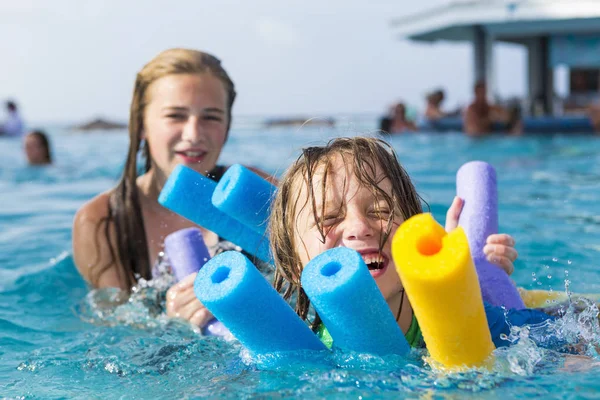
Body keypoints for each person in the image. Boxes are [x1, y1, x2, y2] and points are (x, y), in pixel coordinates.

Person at [269, 136, 552, 349]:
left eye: (380, 210)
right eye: (329, 218)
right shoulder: (308, 353)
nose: (359, 228)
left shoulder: (469, 318)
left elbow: (570, 350)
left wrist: (475, 283)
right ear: (294, 266)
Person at [72, 48, 274, 328]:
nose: (193, 134)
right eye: (176, 116)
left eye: (211, 117)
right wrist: (173, 325)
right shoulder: (103, 220)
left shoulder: (256, 193)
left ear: (227, 126)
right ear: (142, 124)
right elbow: (116, 331)